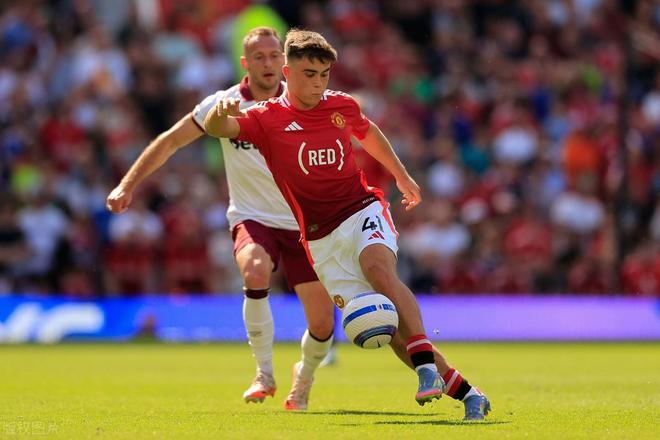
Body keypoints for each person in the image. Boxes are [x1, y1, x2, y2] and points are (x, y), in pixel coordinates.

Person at [204, 29, 491, 420]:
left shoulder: (340, 105)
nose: (318, 83)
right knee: (385, 327)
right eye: (309, 74)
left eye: (324, 75)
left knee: (379, 270)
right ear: (287, 72)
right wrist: (220, 112)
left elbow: (368, 133)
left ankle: (425, 366)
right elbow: (219, 129)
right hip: (321, 240)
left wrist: (402, 176)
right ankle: (469, 393)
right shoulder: (266, 118)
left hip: (361, 210)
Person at [106, 27, 335, 411]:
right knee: (255, 270)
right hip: (252, 216)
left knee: (323, 323)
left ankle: (305, 375)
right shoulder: (223, 104)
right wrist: (127, 185)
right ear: (245, 63)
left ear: (284, 61)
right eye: (258, 57)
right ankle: (264, 372)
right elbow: (171, 140)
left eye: (273, 55)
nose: (267, 63)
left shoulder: (306, 102)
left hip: (303, 223)